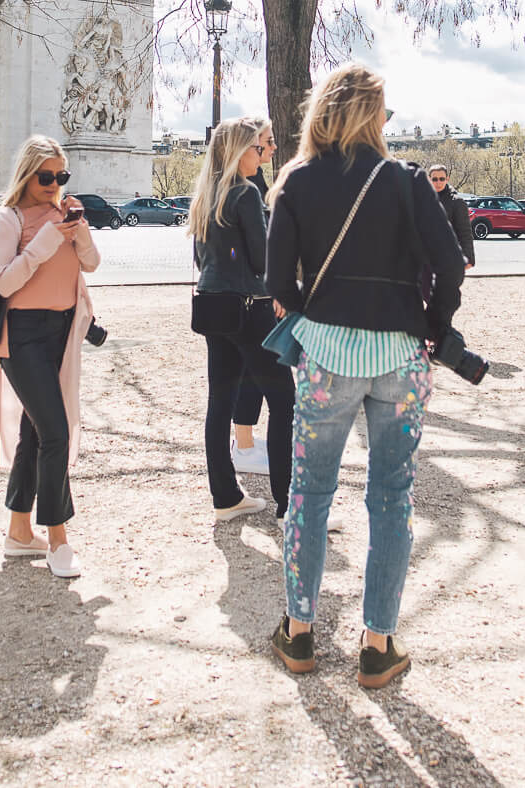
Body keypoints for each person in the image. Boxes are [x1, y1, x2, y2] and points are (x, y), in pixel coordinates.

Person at [264, 63, 466, 689]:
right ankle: (378, 641)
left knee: (310, 494)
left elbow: (276, 283)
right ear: (375, 116)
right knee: (390, 496)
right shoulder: (405, 182)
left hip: (327, 356)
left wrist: (313, 315)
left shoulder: (295, 180)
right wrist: (431, 324)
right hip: (401, 356)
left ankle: (300, 632)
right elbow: (451, 263)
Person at [0, 136, 100, 579]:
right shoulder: (7, 219)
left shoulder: (64, 214)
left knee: (35, 433)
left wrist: (78, 231)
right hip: (21, 337)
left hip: (61, 334)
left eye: (61, 176)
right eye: (47, 177)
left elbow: (92, 264)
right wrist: (44, 241)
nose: (54, 184)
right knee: (56, 433)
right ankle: (58, 538)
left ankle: (19, 532)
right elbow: (3, 284)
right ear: (27, 175)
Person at [190, 117, 296, 520]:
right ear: (240, 151)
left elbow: (203, 259)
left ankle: (225, 496)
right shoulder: (246, 194)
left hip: (214, 305)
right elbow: (260, 258)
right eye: (260, 148)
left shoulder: (208, 193)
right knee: (284, 401)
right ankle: (289, 502)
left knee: (220, 401)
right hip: (250, 308)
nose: (265, 154)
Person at [231, 119, 275, 476]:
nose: (272, 148)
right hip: (252, 293)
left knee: (250, 373)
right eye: (266, 143)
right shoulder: (248, 187)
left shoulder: (254, 182)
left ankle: (244, 442)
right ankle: (243, 445)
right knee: (254, 374)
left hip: (251, 291)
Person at [427, 164, 476, 271]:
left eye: (442, 179)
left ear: (447, 179)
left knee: (448, 287)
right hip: (427, 258)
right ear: (429, 179)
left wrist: (468, 258)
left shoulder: (457, 202)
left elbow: (465, 233)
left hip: (450, 257)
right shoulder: (422, 200)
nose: (438, 182)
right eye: (435, 179)